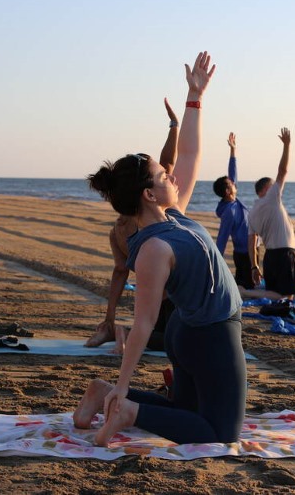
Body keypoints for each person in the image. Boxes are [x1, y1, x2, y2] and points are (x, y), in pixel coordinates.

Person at [74, 51, 247, 446]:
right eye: (160, 172)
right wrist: (125, 383)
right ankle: (126, 407)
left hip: (195, 331)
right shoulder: (152, 248)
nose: (171, 172)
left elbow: (189, 153)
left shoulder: (172, 214)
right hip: (209, 335)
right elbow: (143, 325)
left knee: (188, 413)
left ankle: (103, 395)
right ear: (149, 193)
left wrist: (195, 98)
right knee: (221, 434)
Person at [85, 98, 179, 350]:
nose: (168, 176)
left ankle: (119, 331)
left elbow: (119, 273)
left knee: (160, 337)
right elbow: (169, 161)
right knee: (179, 340)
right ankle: (125, 333)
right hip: (173, 302)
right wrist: (174, 126)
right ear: (146, 192)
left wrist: (109, 318)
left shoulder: (116, 231)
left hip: (153, 306)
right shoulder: (154, 215)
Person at [247, 127, 295, 299]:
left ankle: (249, 293)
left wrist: (254, 266)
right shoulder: (272, 197)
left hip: (270, 255)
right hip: (284, 253)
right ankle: (245, 292)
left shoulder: (252, 212)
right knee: (288, 294)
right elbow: (283, 171)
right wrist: (287, 145)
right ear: (268, 188)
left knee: (277, 295)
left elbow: (251, 241)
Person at [212, 132, 255, 290]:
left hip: (252, 248)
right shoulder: (229, 211)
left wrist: (233, 150)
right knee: (246, 286)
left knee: (251, 283)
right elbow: (222, 237)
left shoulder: (233, 200)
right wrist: (217, 260)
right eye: (231, 184)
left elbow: (233, 172)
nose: (234, 183)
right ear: (228, 192)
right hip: (244, 253)